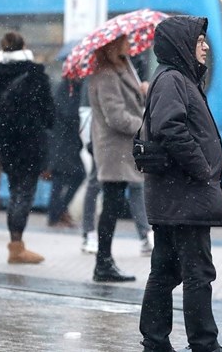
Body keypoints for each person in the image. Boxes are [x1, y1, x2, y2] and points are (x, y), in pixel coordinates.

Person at [139, 16, 222, 352]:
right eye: (199, 41)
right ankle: (203, 343)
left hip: (176, 195)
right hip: (184, 195)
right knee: (197, 272)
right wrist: (202, 169)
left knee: (166, 269)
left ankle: (155, 340)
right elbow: (169, 128)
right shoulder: (174, 80)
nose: (205, 47)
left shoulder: (177, 79)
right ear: (181, 44)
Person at [0, 31, 54, 264]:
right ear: (24, 46)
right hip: (31, 141)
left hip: (7, 140)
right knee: (24, 194)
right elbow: (49, 112)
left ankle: (16, 244)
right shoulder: (36, 74)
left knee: (17, 189)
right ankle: (16, 247)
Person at [88, 34, 149, 282]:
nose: (129, 44)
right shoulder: (106, 75)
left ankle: (105, 262)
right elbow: (116, 117)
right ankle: (103, 263)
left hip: (123, 149)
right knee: (111, 206)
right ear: (113, 46)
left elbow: (130, 105)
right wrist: (147, 126)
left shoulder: (123, 69)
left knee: (112, 205)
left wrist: (143, 91)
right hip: (115, 150)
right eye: (124, 41)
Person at [46, 77, 85, 228]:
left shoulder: (72, 89)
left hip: (68, 142)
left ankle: (58, 212)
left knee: (66, 178)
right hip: (63, 142)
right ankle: (56, 214)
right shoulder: (66, 90)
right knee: (62, 178)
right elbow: (68, 114)